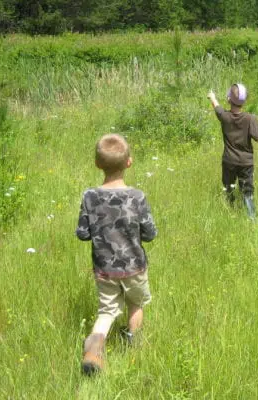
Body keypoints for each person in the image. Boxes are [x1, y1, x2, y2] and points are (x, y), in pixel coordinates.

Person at [75, 133, 157, 376]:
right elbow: (150, 233)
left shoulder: (89, 196)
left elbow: (82, 233)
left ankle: (94, 346)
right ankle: (133, 345)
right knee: (136, 303)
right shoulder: (137, 196)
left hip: (104, 268)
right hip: (134, 266)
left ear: (98, 164)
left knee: (107, 311)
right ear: (129, 162)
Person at [207, 83, 258, 220]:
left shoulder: (224, 117)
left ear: (228, 99)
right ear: (245, 101)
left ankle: (230, 214)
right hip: (246, 163)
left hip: (229, 161)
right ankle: (252, 220)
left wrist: (212, 97)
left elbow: (217, 108)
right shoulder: (251, 119)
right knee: (247, 192)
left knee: (228, 189)